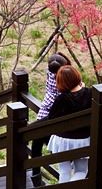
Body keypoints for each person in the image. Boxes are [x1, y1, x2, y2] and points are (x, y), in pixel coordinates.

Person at [30, 52, 71, 187]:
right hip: (57, 110)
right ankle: (69, 175)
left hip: (47, 107)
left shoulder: (50, 71)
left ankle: (35, 176)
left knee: (37, 140)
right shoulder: (64, 78)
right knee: (53, 143)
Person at [46, 65, 91, 182]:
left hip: (63, 140)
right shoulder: (90, 94)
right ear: (77, 76)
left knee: (64, 171)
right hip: (82, 139)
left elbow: (51, 119)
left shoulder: (61, 99)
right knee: (81, 171)